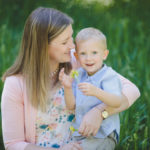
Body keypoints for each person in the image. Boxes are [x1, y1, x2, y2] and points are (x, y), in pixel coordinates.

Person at [1, 6, 140, 150]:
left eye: (71, 37)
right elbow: (13, 144)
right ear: (42, 46)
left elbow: (131, 90)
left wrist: (100, 112)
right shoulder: (15, 84)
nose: (72, 45)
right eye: (64, 42)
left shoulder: (78, 59)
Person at [59, 27, 124, 150]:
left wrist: (96, 92)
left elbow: (117, 101)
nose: (89, 58)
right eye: (83, 53)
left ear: (104, 54)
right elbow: (71, 106)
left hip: (103, 135)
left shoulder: (108, 76)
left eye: (94, 53)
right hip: (81, 134)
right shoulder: (79, 75)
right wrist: (67, 88)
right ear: (76, 56)